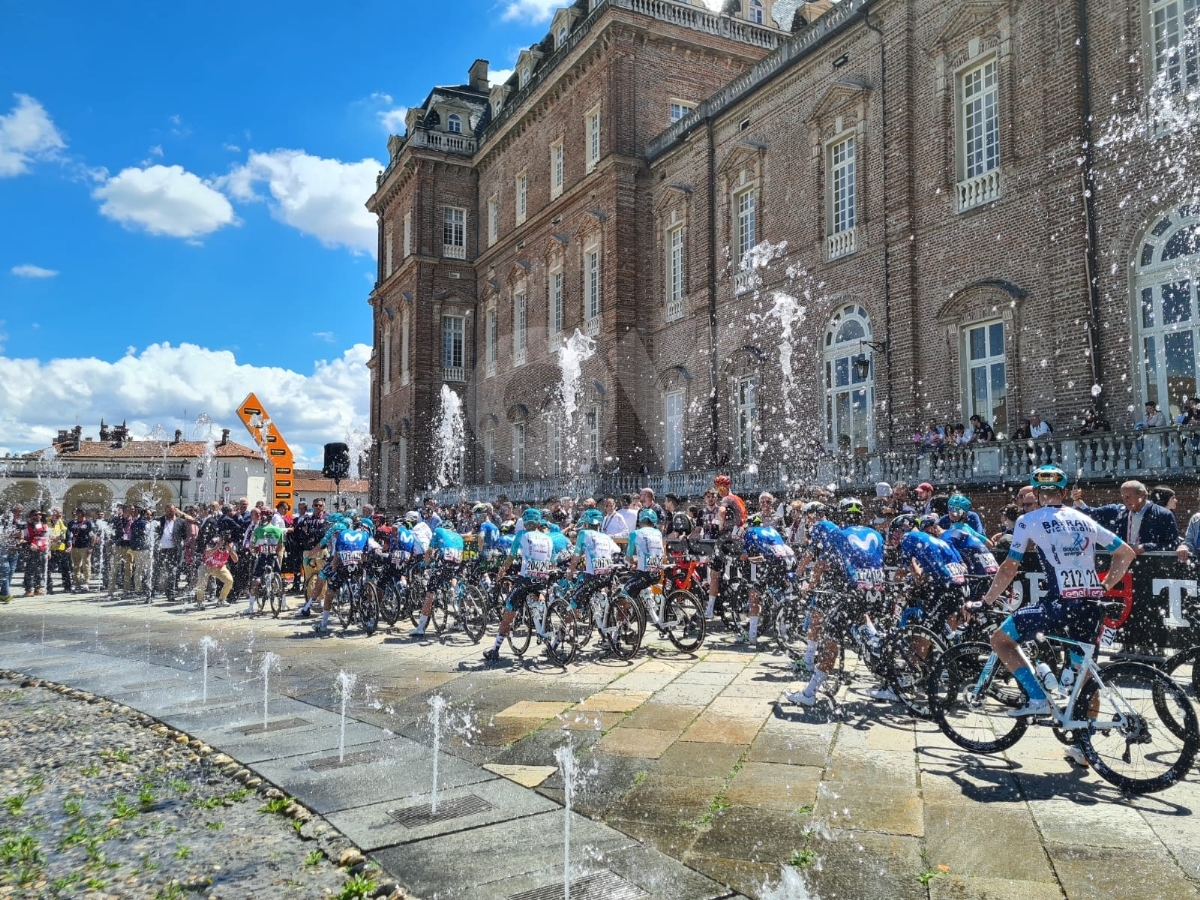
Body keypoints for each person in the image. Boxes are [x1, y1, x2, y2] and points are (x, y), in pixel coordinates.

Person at [980, 466, 1136, 756]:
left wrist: (987, 600)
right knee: (1084, 675)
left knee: (1001, 640)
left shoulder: (1028, 520)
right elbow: (1126, 552)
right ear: (1064, 493)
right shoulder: (1083, 518)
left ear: (1038, 494)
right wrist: (1104, 586)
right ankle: (1083, 746)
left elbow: (1010, 567)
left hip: (1060, 604)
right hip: (1090, 604)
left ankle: (1037, 698)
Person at [485, 508, 554, 663]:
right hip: (542, 578)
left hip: (526, 580)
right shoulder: (547, 538)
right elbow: (552, 560)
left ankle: (495, 649)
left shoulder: (521, 535)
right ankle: (544, 628)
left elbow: (511, 557)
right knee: (539, 599)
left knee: (508, 613)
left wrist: (501, 573)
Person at [413, 519, 466, 637]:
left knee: (430, 593)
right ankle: (458, 609)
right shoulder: (458, 536)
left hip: (445, 561)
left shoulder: (438, 530)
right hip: (458, 561)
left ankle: (421, 627)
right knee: (452, 578)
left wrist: (425, 564)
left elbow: (429, 551)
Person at [705, 474, 747, 618]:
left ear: (724, 487)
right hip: (738, 538)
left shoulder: (726, 499)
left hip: (726, 539)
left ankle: (710, 609)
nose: (718, 491)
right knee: (734, 569)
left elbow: (722, 512)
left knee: (714, 573)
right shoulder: (739, 499)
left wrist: (721, 525)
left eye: (719, 488)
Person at [247, 510, 287, 616]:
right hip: (273, 556)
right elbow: (280, 546)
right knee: (280, 579)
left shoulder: (258, 530)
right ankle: (283, 605)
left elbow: (252, 546)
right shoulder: (278, 530)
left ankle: (250, 608)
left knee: (256, 580)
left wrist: (256, 551)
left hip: (262, 556)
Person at [195, 536, 237, 609]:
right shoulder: (214, 541)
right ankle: (199, 601)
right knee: (202, 583)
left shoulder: (231, 545)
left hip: (220, 567)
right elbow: (207, 553)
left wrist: (231, 551)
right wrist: (217, 547)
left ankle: (221, 600)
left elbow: (236, 560)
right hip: (206, 565)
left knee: (229, 581)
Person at [67, 508, 95, 594]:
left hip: (85, 547)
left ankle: (86, 583)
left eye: (79, 513)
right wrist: (70, 543)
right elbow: (69, 534)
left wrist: (91, 547)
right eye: (76, 513)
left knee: (86, 565)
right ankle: (76, 582)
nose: (77, 515)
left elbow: (93, 536)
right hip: (75, 547)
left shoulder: (88, 523)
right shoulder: (72, 523)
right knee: (76, 565)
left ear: (83, 514)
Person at [21, 511, 49, 597]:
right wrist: (30, 544)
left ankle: (38, 587)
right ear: (31, 516)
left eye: (40, 514)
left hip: (42, 550)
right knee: (30, 570)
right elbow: (21, 539)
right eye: (35, 515)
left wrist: (49, 551)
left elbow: (47, 539)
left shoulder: (45, 525)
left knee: (40, 570)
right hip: (31, 551)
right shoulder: (26, 526)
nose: (38, 516)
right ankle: (29, 589)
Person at [46, 509, 71, 594]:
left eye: (60, 513)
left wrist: (70, 545)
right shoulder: (47, 522)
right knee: (48, 570)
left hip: (61, 548)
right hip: (51, 549)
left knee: (65, 569)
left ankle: (67, 587)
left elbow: (68, 535)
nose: (59, 514)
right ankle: (49, 588)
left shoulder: (63, 522)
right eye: (57, 513)